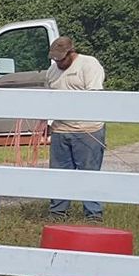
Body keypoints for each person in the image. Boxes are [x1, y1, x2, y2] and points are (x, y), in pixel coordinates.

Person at [44, 36, 107, 222]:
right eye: (55, 58)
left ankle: (93, 214)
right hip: (60, 130)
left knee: (89, 173)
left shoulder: (89, 65)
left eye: (61, 58)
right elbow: (48, 99)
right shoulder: (52, 71)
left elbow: (94, 96)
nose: (57, 62)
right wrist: (48, 123)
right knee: (59, 173)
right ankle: (58, 212)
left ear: (71, 53)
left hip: (88, 129)